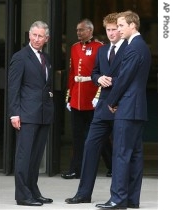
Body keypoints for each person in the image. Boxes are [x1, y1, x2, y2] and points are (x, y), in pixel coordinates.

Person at [65, 12, 127, 204]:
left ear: (121, 29)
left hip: (119, 107)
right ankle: (83, 193)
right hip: (100, 107)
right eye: (108, 30)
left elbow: (131, 76)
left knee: (120, 152)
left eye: (114, 29)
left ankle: (121, 197)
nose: (111, 33)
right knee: (90, 147)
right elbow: (93, 73)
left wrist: (112, 82)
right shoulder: (103, 50)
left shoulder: (128, 49)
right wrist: (97, 78)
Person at [95, 10, 151, 209]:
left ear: (132, 25)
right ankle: (131, 199)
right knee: (134, 155)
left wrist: (112, 101)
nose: (118, 30)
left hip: (127, 108)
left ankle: (118, 199)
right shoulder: (140, 46)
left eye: (120, 26)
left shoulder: (134, 47)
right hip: (136, 108)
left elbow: (125, 78)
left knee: (120, 154)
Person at [8, 21, 54, 206]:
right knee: (24, 156)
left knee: (35, 157)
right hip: (26, 114)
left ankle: (33, 191)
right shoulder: (20, 57)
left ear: (46, 39)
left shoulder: (46, 58)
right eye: (34, 35)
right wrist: (14, 113)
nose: (36, 39)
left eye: (40, 36)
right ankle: (22, 195)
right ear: (29, 35)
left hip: (43, 114)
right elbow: (13, 87)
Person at [61, 18, 113, 179]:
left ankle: (112, 166)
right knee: (77, 137)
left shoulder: (100, 48)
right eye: (77, 30)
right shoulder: (75, 48)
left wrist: (99, 96)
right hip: (77, 98)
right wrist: (69, 97)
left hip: (93, 98)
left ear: (90, 30)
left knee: (100, 136)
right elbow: (72, 73)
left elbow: (103, 73)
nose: (78, 33)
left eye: (81, 30)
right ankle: (75, 169)